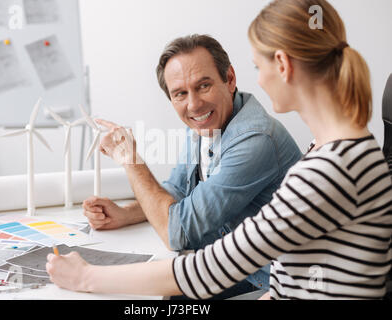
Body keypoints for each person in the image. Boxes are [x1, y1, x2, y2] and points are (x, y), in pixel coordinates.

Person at [46, 0, 392, 299]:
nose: (258, 79)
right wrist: (126, 213)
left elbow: (210, 268)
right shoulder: (336, 150)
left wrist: (85, 277)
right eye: (180, 93)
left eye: (259, 66)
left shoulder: (326, 169)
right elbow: (298, 269)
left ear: (283, 66)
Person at [81, 34, 302, 297]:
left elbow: (176, 232)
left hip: (269, 282)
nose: (194, 104)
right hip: (233, 264)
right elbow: (178, 191)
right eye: (180, 94)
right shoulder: (207, 123)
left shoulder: (255, 140)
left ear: (229, 79)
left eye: (203, 86)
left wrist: (132, 161)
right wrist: (125, 214)